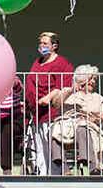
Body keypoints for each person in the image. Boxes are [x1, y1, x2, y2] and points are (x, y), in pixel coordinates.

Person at [25, 32, 75, 175]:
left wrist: (49, 97)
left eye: (45, 43)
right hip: (36, 112)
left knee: (51, 144)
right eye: (40, 43)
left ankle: (55, 176)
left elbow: (64, 87)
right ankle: (42, 176)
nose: (41, 46)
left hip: (52, 112)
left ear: (54, 46)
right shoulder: (37, 62)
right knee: (39, 147)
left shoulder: (62, 63)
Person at [49, 65, 103, 175]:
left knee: (82, 127)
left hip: (88, 125)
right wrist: (72, 90)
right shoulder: (67, 92)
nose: (93, 82)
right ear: (82, 79)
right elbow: (55, 104)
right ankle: (63, 167)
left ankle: (91, 165)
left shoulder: (98, 98)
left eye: (94, 79)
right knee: (55, 129)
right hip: (66, 125)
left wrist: (92, 116)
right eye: (90, 78)